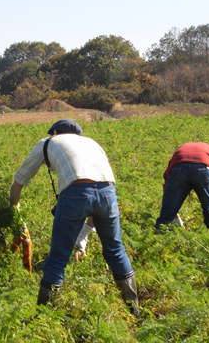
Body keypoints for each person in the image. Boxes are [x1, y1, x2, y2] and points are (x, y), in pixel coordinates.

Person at [9, 119, 139, 316]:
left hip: (75, 193)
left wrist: (14, 214)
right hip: (108, 194)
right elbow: (98, 193)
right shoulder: (92, 143)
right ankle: (134, 310)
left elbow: (18, 184)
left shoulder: (47, 142)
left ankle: (42, 319)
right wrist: (84, 234)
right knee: (115, 251)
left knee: (58, 258)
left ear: (54, 132)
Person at [155, 142, 209, 230]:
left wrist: (173, 213)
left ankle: (160, 236)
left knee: (165, 217)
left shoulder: (181, 150)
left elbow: (168, 189)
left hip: (178, 169)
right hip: (204, 170)